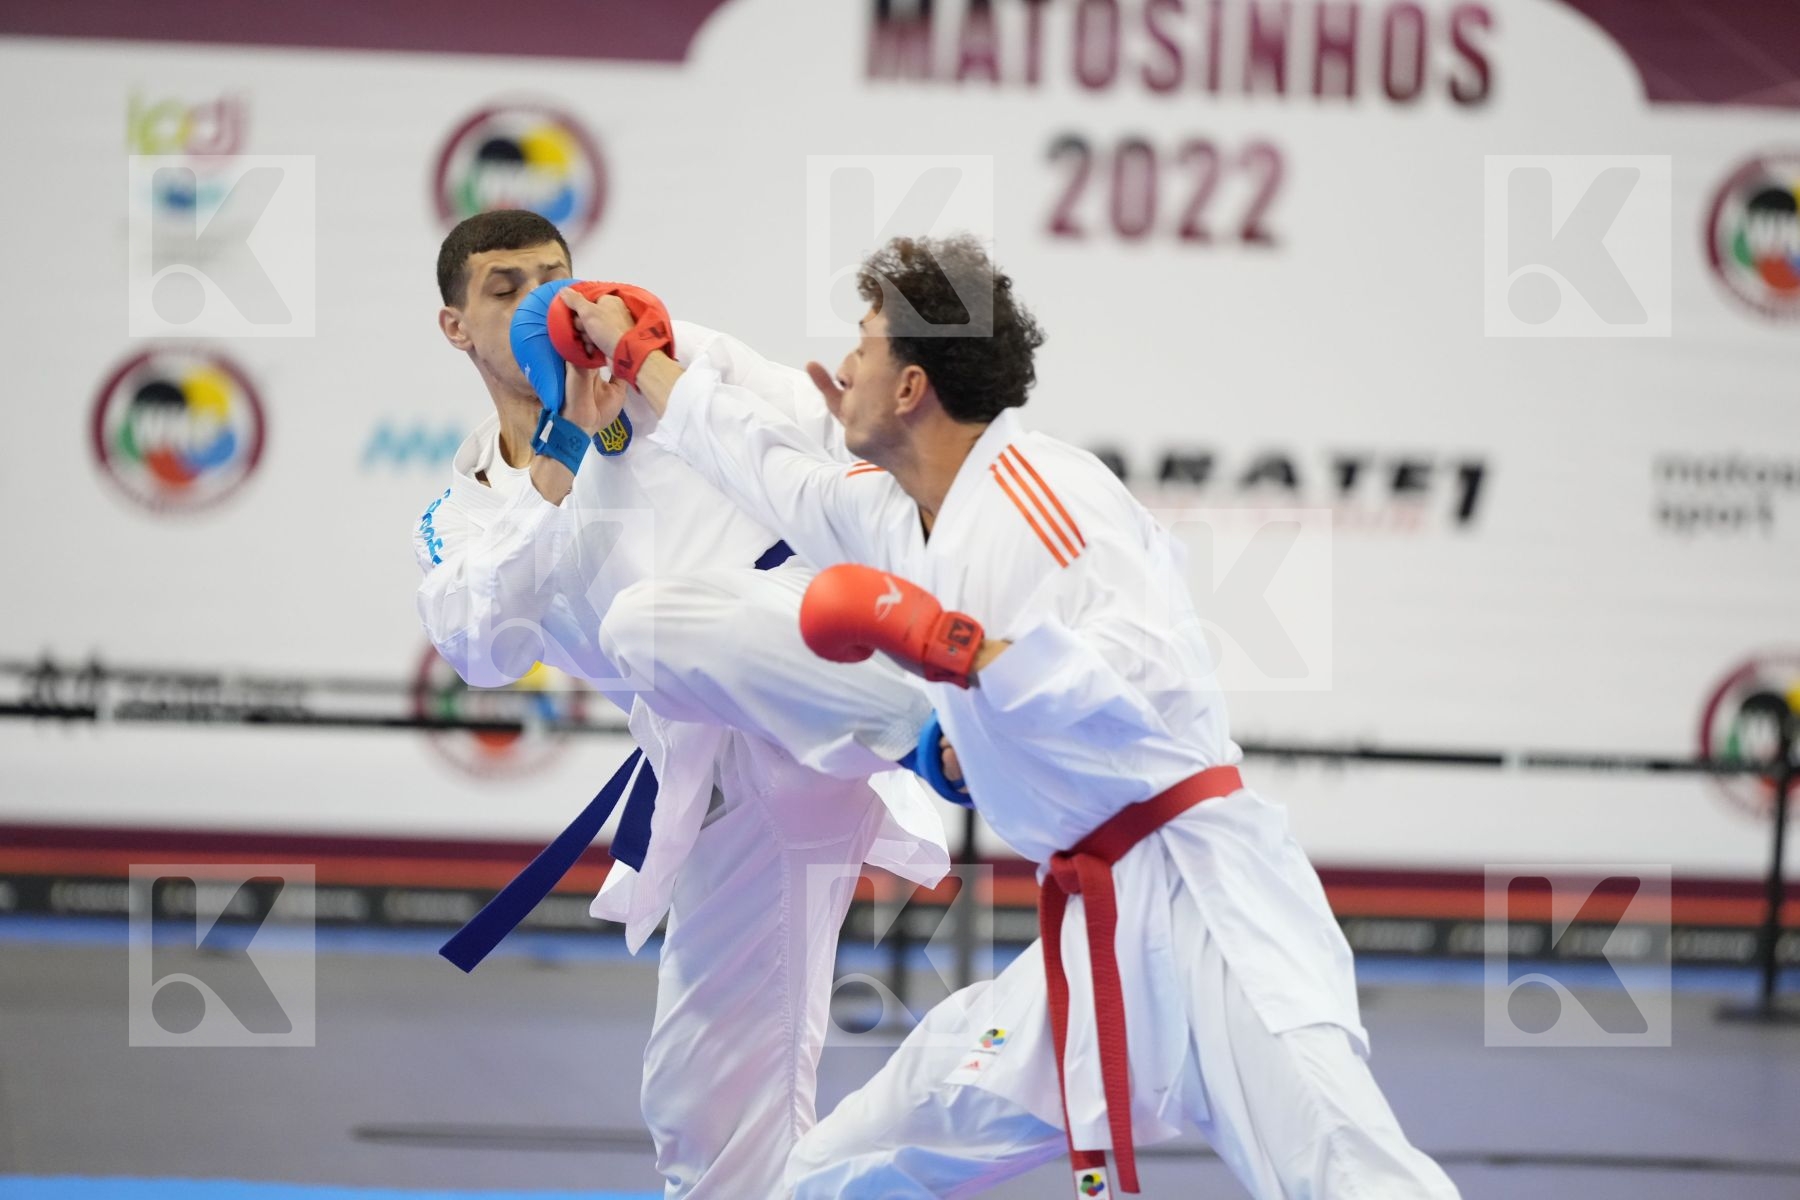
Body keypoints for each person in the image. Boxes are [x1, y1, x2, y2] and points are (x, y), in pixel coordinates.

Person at [558, 236, 1461, 1199]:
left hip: (1209, 915)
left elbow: (1138, 677)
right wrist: (638, 356)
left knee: (1355, 1176)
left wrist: (965, 657)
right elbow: (763, 462)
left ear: (912, 387)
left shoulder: (1047, 490)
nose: (843, 368)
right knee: (835, 1169)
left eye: (864, 345)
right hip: (1093, 933)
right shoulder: (897, 514)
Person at [413, 210, 951, 1200]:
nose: (541, 304)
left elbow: (826, 438)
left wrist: (659, 365)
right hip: (714, 768)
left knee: (648, 623)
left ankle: (948, 729)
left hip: (815, 646)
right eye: (506, 288)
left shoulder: (660, 354)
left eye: (554, 277)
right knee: (703, 1103)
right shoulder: (468, 507)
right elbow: (481, 646)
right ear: (456, 326)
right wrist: (560, 454)